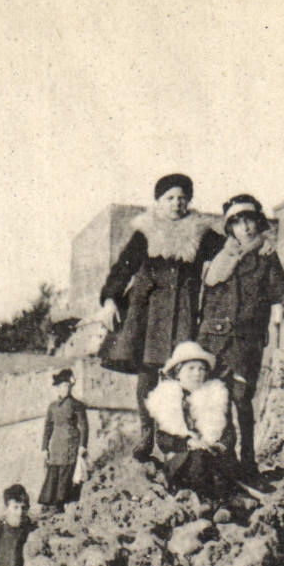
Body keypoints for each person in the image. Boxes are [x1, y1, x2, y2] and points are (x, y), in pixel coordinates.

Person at [98, 173, 228, 461]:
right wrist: (109, 300)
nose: (176, 203)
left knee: (177, 373)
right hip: (148, 314)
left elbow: (230, 252)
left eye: (182, 198)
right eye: (170, 198)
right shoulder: (146, 232)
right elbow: (123, 268)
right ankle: (146, 433)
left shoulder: (200, 232)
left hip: (183, 312)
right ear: (158, 201)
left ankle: (173, 436)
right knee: (147, 374)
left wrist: (257, 246)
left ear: (189, 201)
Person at [198, 194, 284, 480]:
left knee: (243, 400)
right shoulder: (218, 257)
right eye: (238, 223)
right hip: (213, 339)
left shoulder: (266, 258)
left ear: (259, 223)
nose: (245, 228)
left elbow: (283, 290)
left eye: (250, 222)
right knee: (217, 399)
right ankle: (223, 461)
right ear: (230, 227)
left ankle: (247, 462)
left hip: (247, 341)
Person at [145, 341, 235, 501]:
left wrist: (218, 446)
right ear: (178, 372)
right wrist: (188, 443)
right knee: (197, 459)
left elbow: (229, 433)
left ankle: (219, 503)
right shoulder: (167, 398)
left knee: (215, 465)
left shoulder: (215, 396)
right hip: (181, 460)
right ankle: (204, 500)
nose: (197, 373)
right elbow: (163, 439)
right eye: (191, 368)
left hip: (211, 456)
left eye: (201, 369)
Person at [38, 369, 89, 513]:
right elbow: (48, 427)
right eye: (62, 386)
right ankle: (52, 504)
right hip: (56, 445)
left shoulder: (77, 405)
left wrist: (83, 445)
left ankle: (63, 504)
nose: (65, 389)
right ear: (57, 388)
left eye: (67, 386)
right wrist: (44, 448)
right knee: (54, 471)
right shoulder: (52, 407)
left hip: (71, 444)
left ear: (71, 387)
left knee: (67, 473)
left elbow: (84, 426)